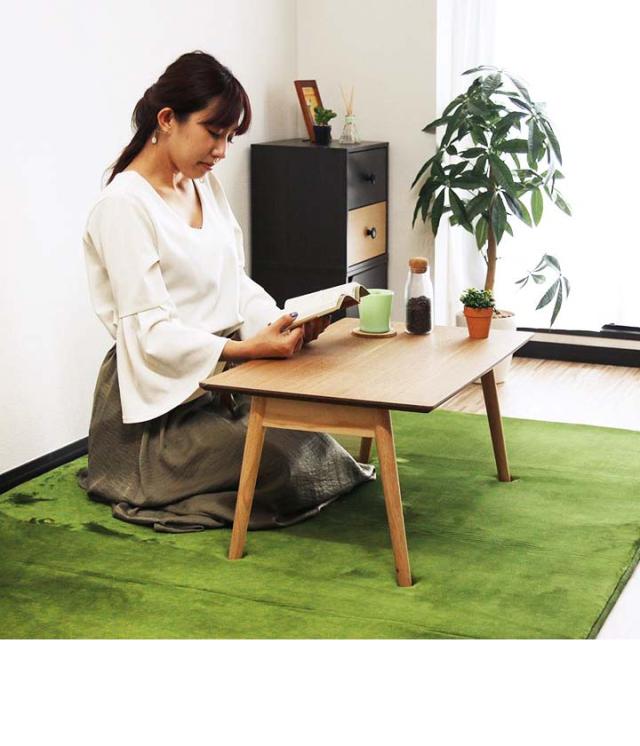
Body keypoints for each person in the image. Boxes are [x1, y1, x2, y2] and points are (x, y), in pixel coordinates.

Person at [77, 51, 375, 533]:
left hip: (219, 384)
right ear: (167, 120)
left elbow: (234, 282)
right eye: (213, 133)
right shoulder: (123, 206)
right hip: (159, 409)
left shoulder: (205, 186)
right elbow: (149, 333)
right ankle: (151, 482)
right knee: (284, 464)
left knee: (314, 447)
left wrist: (280, 322)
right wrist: (244, 349)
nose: (221, 151)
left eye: (229, 138)